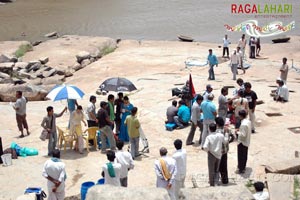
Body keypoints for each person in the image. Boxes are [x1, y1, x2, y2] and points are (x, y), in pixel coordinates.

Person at [235, 110, 251, 174]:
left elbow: (243, 135)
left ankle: (241, 169)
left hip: (242, 142)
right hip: (246, 141)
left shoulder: (244, 124)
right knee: (244, 155)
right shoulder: (248, 121)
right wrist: (240, 129)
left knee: (241, 156)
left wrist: (237, 132)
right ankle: (243, 167)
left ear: (241, 116)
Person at [215, 117, 230, 185]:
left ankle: (216, 180)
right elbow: (232, 137)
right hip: (224, 151)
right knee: (224, 166)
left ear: (217, 124)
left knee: (217, 166)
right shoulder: (226, 129)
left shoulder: (216, 131)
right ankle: (225, 180)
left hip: (218, 152)